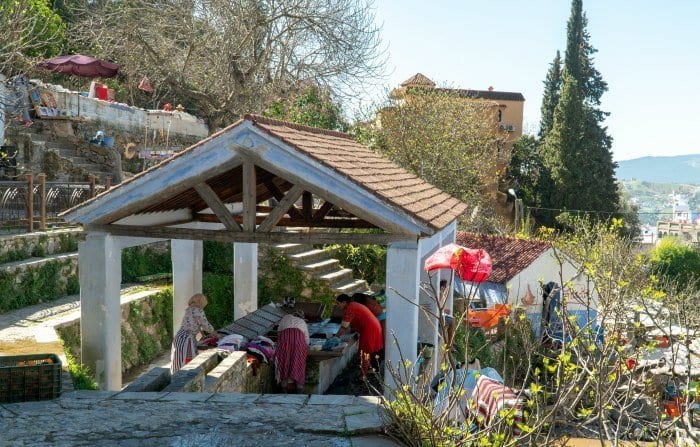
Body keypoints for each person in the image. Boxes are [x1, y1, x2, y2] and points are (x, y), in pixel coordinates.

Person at [334, 294, 383, 380]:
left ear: (344, 302)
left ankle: (362, 377)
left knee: (364, 353)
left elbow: (343, 327)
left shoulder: (350, 308)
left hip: (370, 329)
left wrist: (335, 337)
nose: (337, 306)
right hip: (373, 327)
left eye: (338, 303)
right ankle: (369, 371)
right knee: (368, 352)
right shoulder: (353, 305)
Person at [171, 293, 216, 374]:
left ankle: (175, 378)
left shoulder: (190, 309)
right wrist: (214, 333)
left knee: (178, 359)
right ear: (201, 302)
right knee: (188, 362)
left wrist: (203, 335)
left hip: (180, 337)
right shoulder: (198, 311)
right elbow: (205, 325)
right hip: (186, 339)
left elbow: (197, 324)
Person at [275, 310, 309, 393]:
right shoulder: (303, 322)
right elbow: (307, 340)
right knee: (298, 364)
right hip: (298, 343)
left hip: (284, 342)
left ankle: (283, 389)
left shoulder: (285, 318)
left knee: (284, 363)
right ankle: (299, 388)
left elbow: (279, 334)